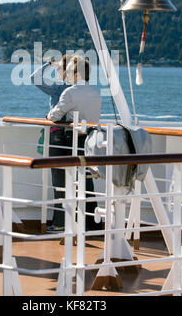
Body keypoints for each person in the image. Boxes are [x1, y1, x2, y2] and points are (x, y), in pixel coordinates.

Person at [46, 55, 102, 232]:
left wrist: (48, 117)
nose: (67, 74)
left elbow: (54, 115)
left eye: (69, 71)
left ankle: (66, 222)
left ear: (77, 74)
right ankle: (92, 224)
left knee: (68, 181)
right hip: (90, 139)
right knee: (86, 182)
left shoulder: (70, 92)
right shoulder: (95, 91)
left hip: (72, 140)